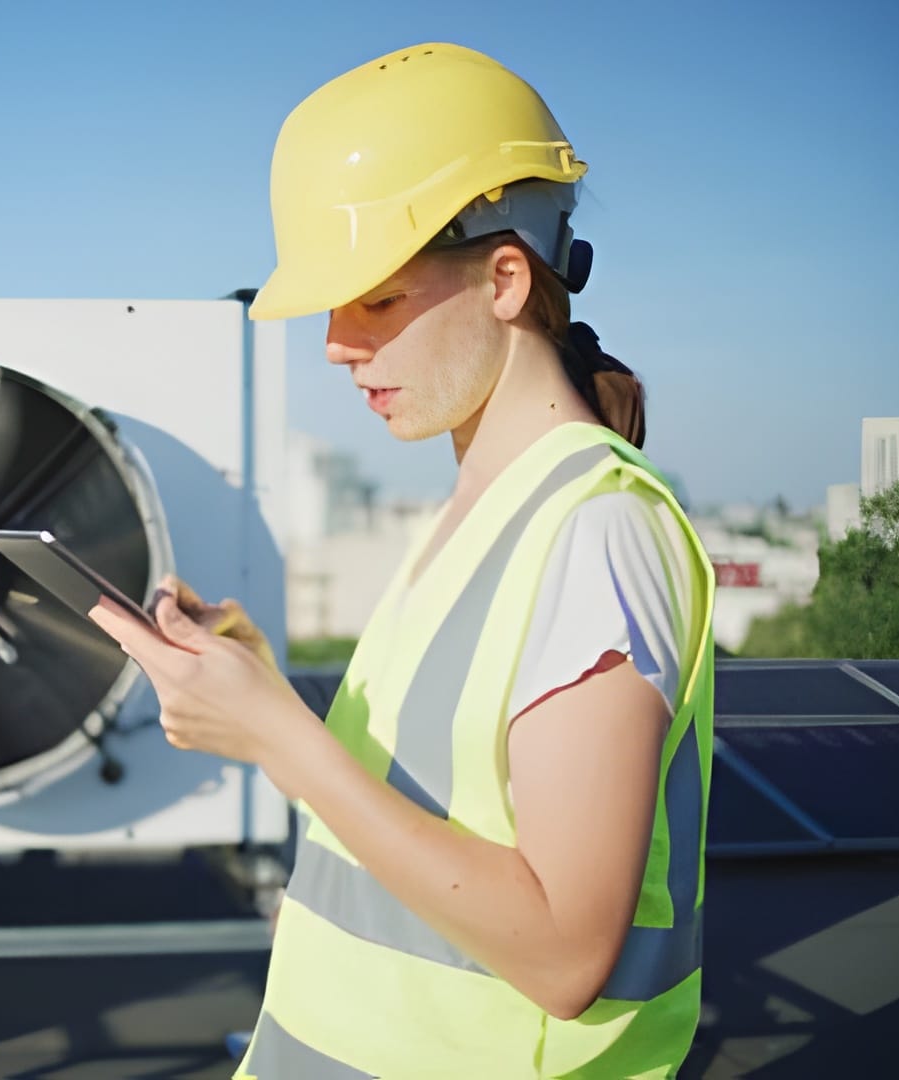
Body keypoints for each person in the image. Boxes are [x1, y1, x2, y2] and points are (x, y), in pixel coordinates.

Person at [91, 42, 714, 1078]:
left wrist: (277, 740)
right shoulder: (486, 505)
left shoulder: (595, 530)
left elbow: (563, 952)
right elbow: (427, 805)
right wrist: (258, 693)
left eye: (374, 300)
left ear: (504, 278)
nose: (335, 342)